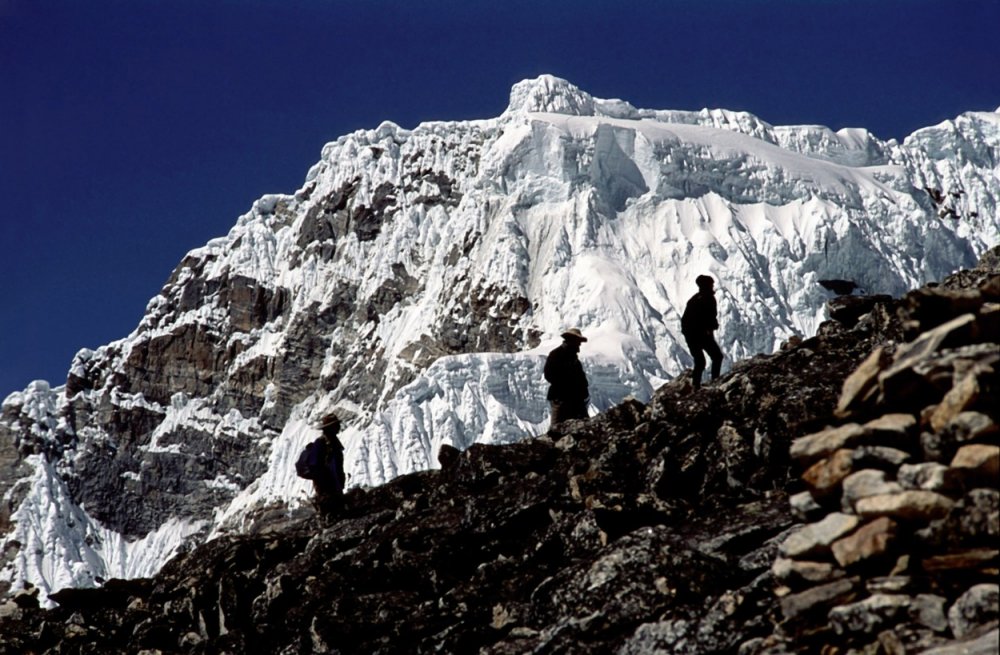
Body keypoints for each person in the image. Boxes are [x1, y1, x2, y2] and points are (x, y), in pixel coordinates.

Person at [295, 413, 346, 518]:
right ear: (330, 428)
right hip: (326, 488)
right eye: (336, 425)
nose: (338, 427)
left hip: (333, 486)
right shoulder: (321, 444)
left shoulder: (334, 444)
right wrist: (324, 479)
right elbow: (315, 466)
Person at [681, 275, 724, 390]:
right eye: (711, 284)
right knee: (716, 357)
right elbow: (709, 318)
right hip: (701, 335)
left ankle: (696, 385)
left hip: (693, 336)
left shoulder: (694, 300)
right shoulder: (708, 299)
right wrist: (710, 327)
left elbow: (685, 321)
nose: (712, 286)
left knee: (700, 361)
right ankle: (715, 381)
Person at [544, 328, 590, 425]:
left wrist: (583, 391)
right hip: (561, 399)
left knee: (583, 427)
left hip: (576, 400)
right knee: (557, 429)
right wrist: (567, 385)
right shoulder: (556, 355)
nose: (579, 345)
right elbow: (549, 375)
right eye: (578, 342)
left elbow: (581, 378)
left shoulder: (574, 359)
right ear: (571, 340)